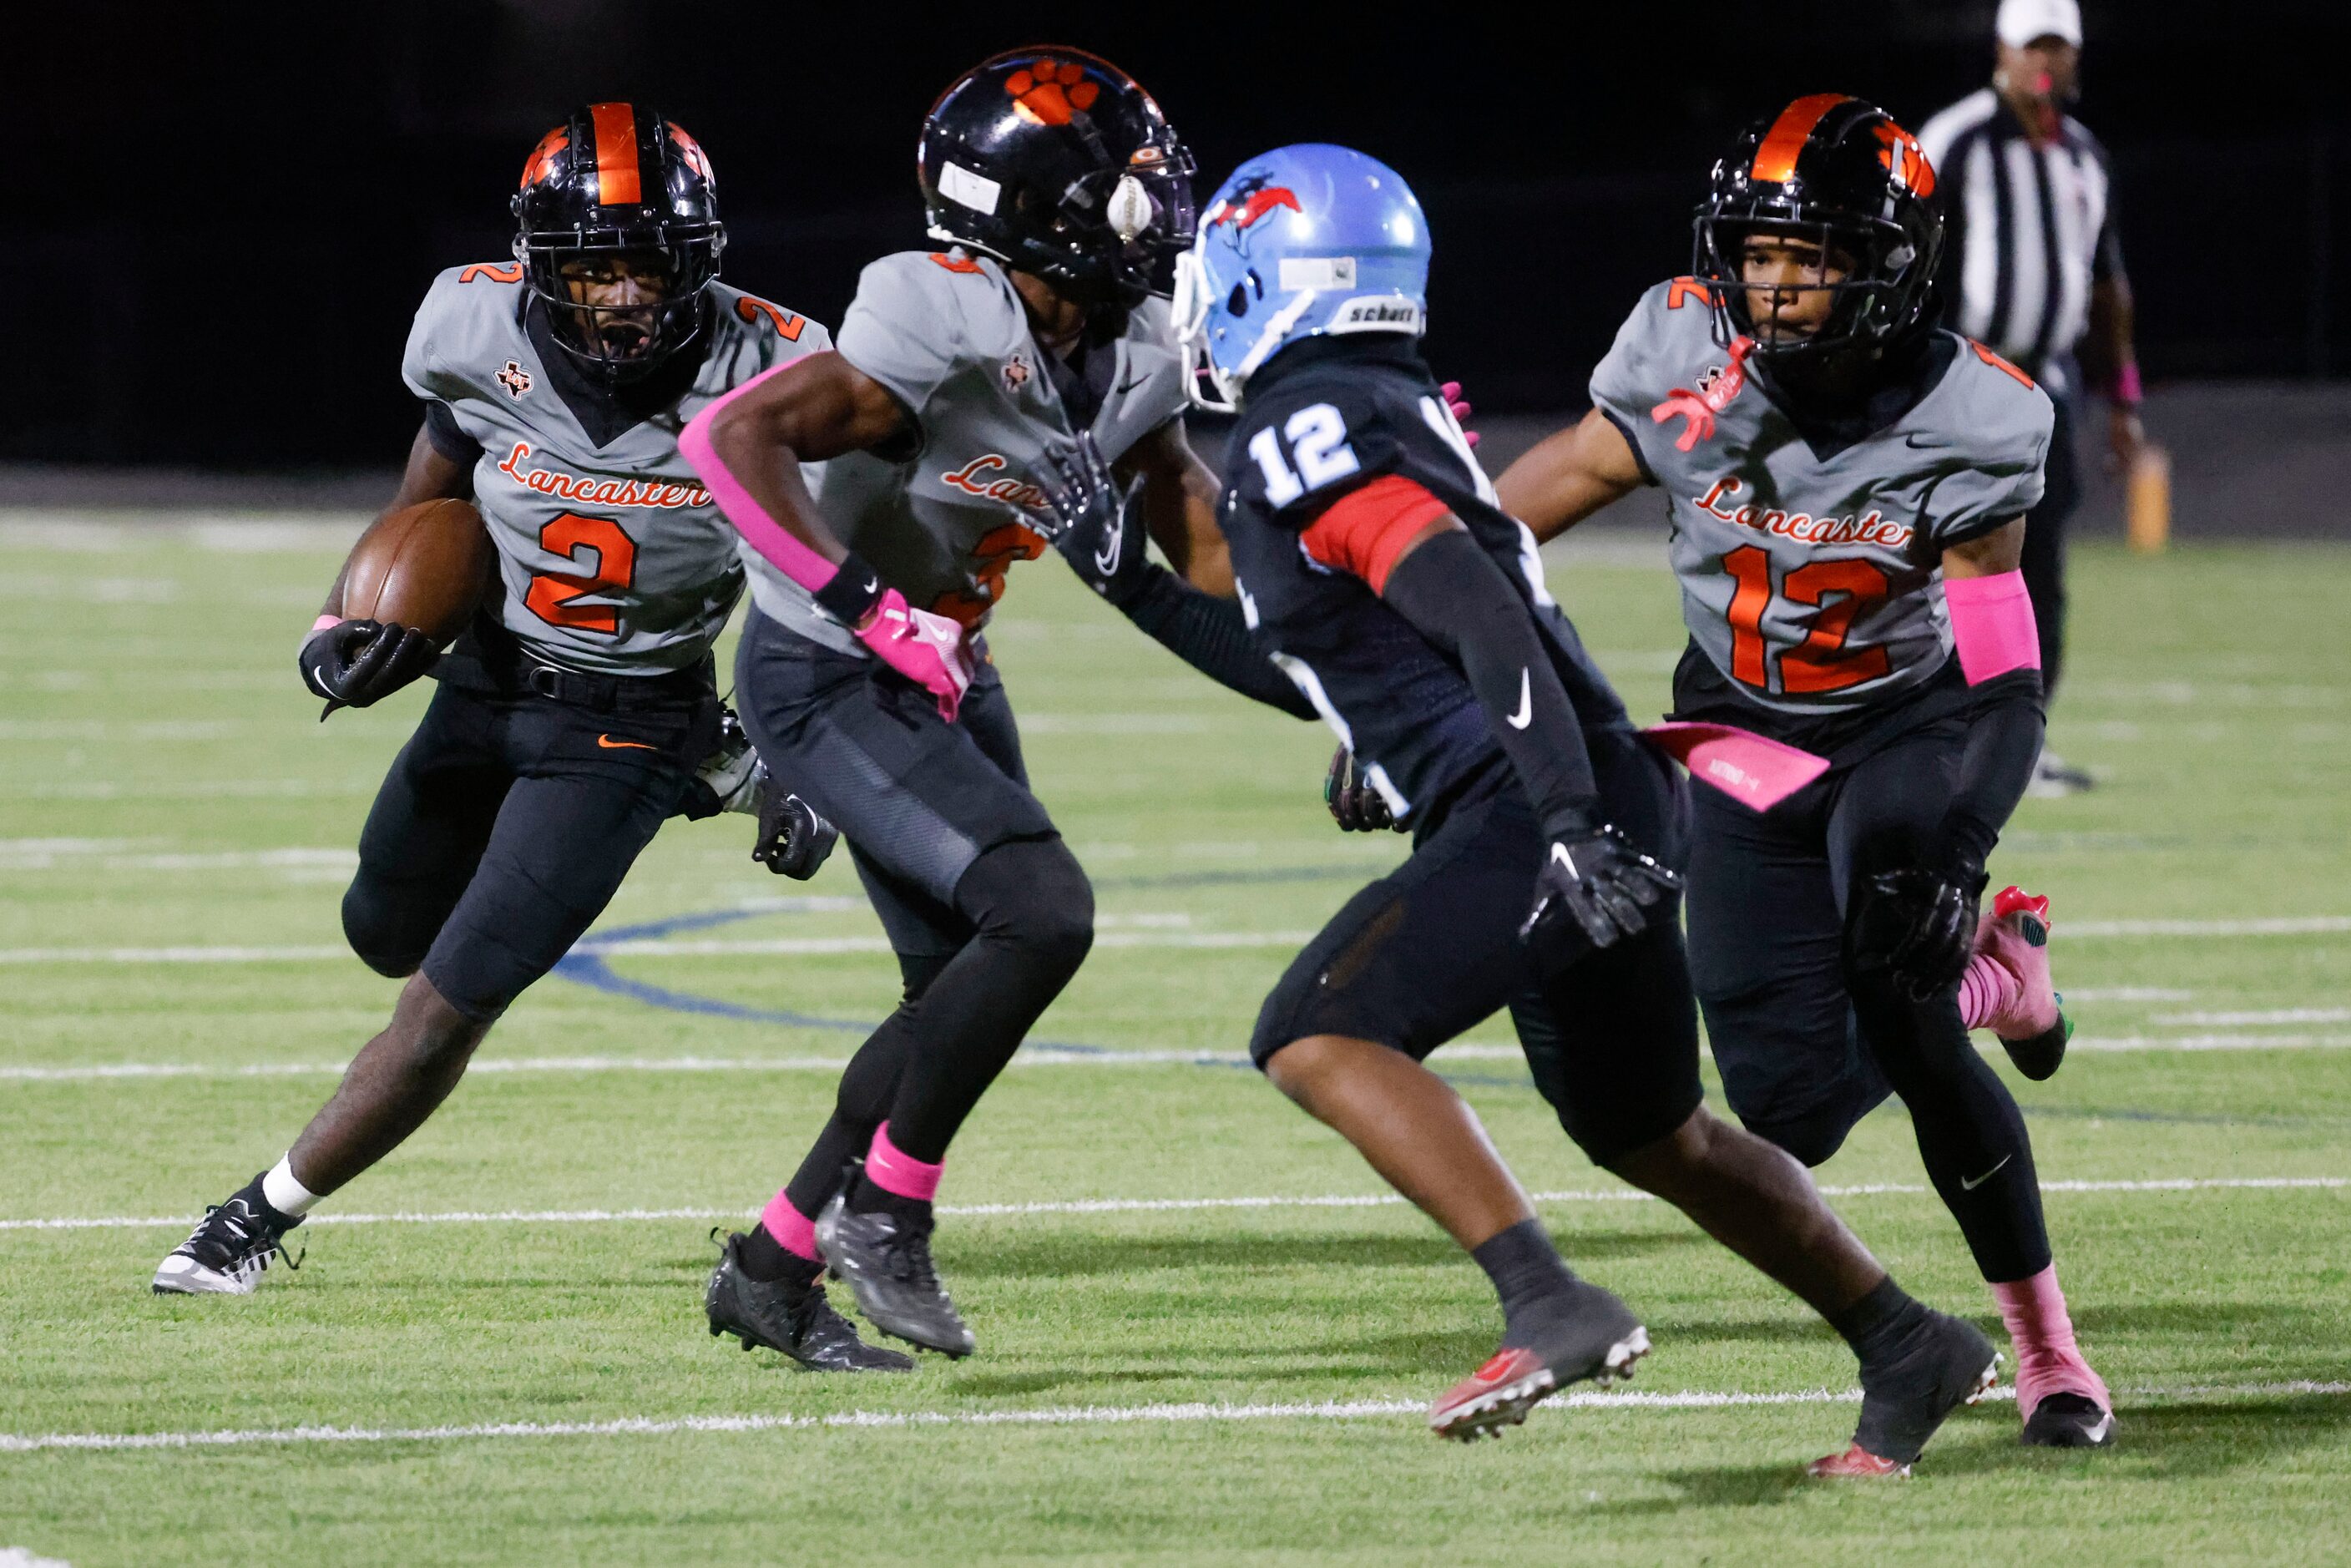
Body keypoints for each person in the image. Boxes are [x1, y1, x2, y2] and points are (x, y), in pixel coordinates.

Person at [1067, 139, 2001, 1473]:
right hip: (1576, 783)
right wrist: (1130, 575)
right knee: (1649, 1130)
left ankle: (1546, 1298)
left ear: (1272, 274)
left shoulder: (1304, 423)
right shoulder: (1356, 403)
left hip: (1541, 797)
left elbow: (1473, 604)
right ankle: (1909, 1341)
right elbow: (1314, 655)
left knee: (1317, 1036)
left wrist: (1561, 817)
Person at [150, 104, 892, 1369]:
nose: (621, 294)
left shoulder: (776, 369)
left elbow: (821, 575)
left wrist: (815, 745)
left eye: (647, 261)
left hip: (624, 721)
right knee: (382, 932)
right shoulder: (470, 325)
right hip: (487, 676)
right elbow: (427, 494)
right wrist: (354, 615)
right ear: (543, 263)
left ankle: (253, 1217)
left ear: (696, 257)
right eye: (595, 263)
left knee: (447, 1004)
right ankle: (727, 758)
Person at [1494, 94, 2112, 1450]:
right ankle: (1996, 971)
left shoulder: (1978, 414)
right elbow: (1542, 493)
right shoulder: (1680, 349)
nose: (1773, 284)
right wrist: (1410, 603)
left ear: (1890, 265)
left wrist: (1956, 848)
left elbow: (2005, 679)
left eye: (1811, 255)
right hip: (1737, 730)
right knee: (1787, 1110)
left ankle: (2049, 1352)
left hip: (1905, 724)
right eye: (1758, 250)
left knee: (1898, 999)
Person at [680, 49, 1293, 1362]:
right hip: (824, 665)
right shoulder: (942, 311)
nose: (1153, 194)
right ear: (1032, 208)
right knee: (1043, 908)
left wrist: (1339, 638)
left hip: (950, 666)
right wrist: (862, 603)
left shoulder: (1128, 346)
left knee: (949, 998)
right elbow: (732, 439)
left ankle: (773, 1265)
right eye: (1119, 177)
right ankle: (889, 1216)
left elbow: (1195, 528)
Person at [1918, 0, 2145, 796]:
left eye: (2060, 46)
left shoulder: (2083, 155)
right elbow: (1908, 263)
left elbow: (2107, 285)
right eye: (2032, 44)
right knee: (1930, 563)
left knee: (2038, 569)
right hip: (1956, 380)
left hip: (2044, 390)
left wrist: (2122, 398)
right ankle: (1927, 735)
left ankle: (2019, 746)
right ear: (2002, 51)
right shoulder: (1955, 141)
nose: (2046, 62)